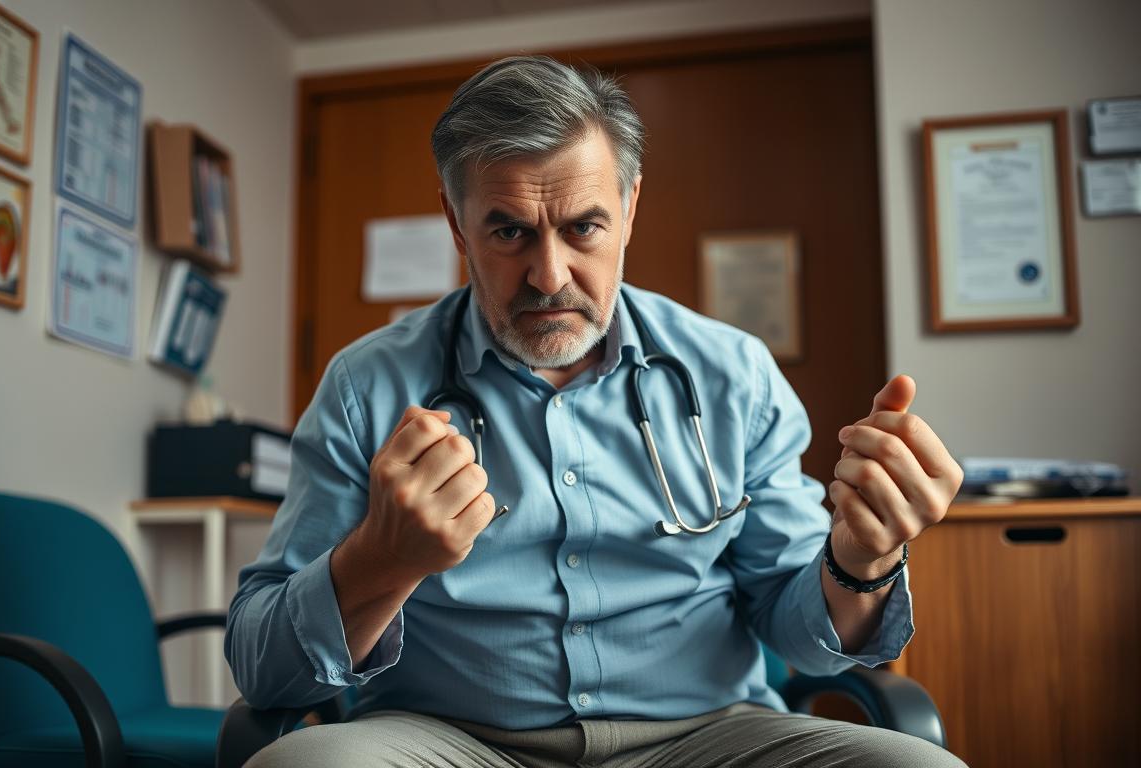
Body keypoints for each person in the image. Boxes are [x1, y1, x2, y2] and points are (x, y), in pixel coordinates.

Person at [227, 55, 966, 768]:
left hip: (704, 738)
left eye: (583, 227)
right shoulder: (369, 386)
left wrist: (862, 560)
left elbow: (802, 634)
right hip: (448, 741)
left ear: (630, 208)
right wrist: (378, 562)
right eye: (508, 231)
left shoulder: (732, 374)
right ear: (458, 225)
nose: (549, 276)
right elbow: (263, 671)